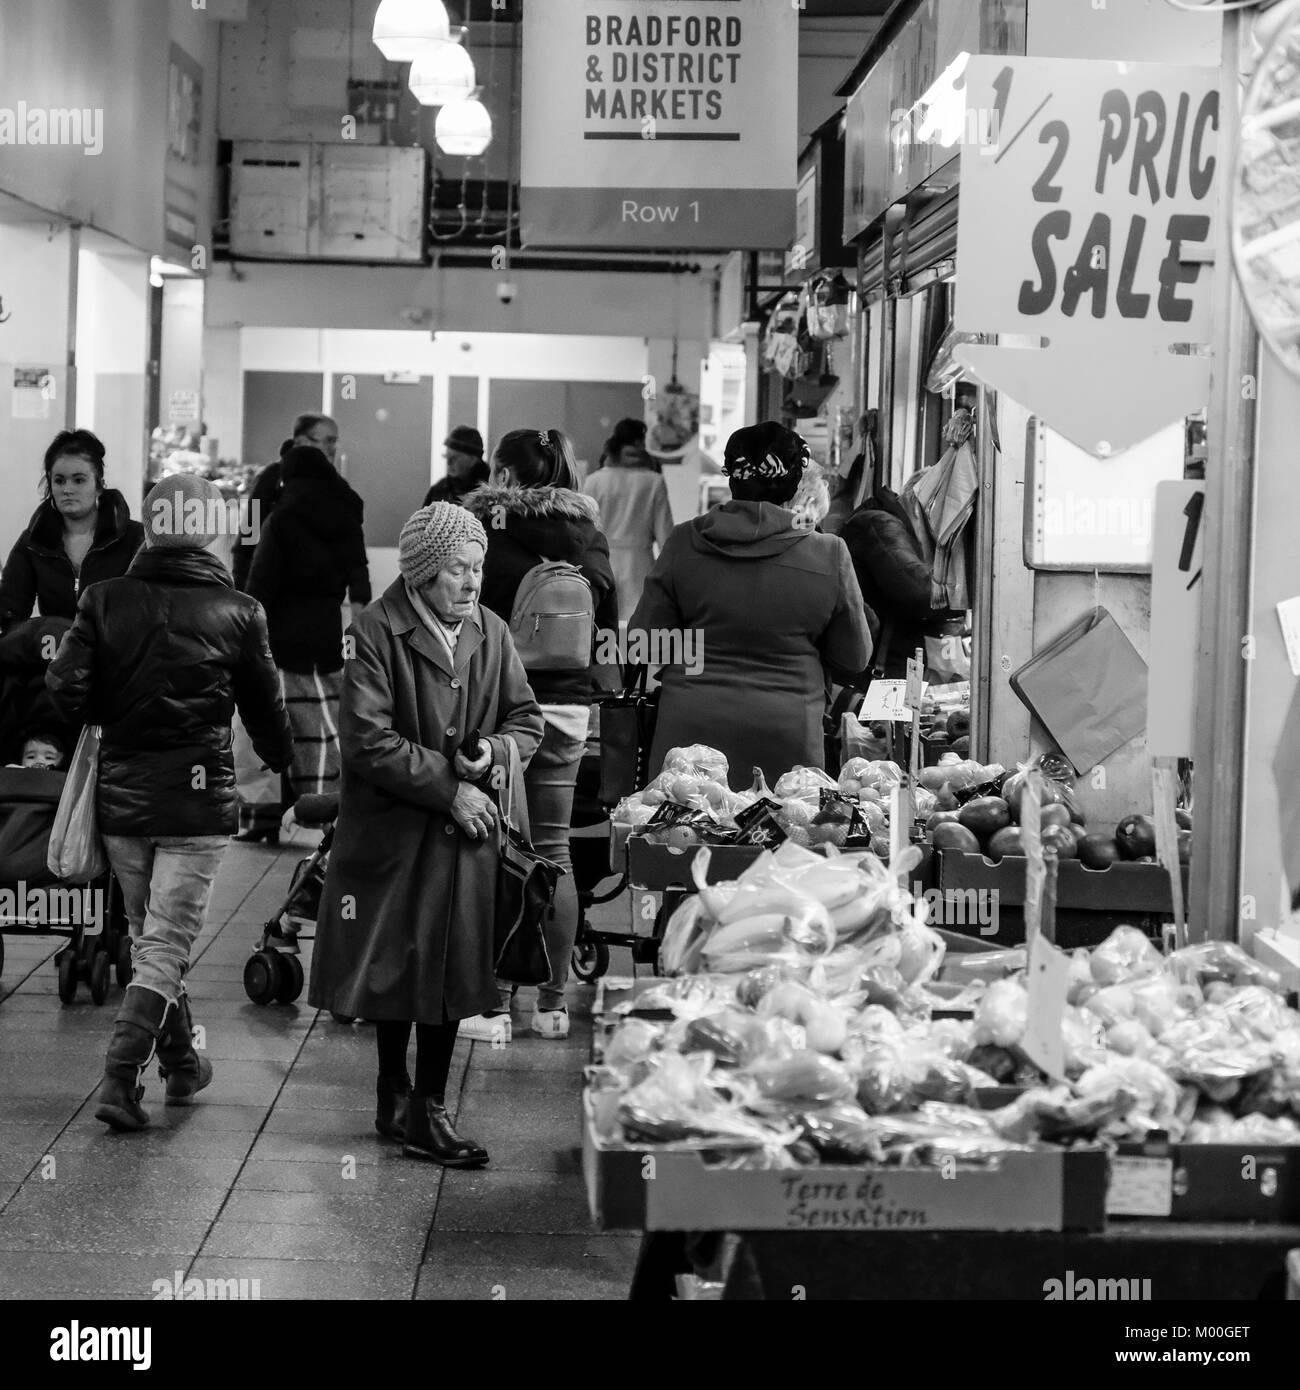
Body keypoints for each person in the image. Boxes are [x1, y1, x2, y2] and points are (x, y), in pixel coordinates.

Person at [46, 474, 292, 1132]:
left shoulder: (103, 599)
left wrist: (115, 712)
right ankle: (119, 1080)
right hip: (196, 803)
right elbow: (267, 710)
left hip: (123, 802)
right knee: (164, 946)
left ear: (152, 526)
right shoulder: (239, 611)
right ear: (211, 526)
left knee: (151, 937)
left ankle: (182, 1063)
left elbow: (64, 693)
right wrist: (284, 760)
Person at [307, 502, 543, 1167]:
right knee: (395, 965)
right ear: (419, 574)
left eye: (477, 568)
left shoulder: (490, 631)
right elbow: (367, 740)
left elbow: (529, 721)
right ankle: (397, 1095)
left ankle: (424, 1107)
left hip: (462, 840)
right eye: (455, 571)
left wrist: (494, 751)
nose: (470, 584)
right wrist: (450, 786)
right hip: (394, 828)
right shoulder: (377, 631)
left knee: (449, 967)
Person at [462, 428, 619, 1042]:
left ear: (502, 476)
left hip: (502, 712)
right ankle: (554, 1003)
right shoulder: (590, 537)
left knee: (498, 850)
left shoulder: (486, 532)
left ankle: (495, 1004)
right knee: (554, 850)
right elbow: (606, 630)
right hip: (570, 709)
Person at [629, 421, 872, 790]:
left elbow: (645, 642)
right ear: (794, 481)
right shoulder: (829, 554)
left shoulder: (683, 543)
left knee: (682, 838)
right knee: (784, 839)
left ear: (732, 476)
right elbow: (855, 657)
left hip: (689, 736)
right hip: (788, 734)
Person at [244, 446, 371, 838]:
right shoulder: (346, 510)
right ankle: (326, 802)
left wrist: (244, 624)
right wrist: (359, 628)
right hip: (326, 634)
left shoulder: (281, 514)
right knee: (323, 723)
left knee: (276, 720)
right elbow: (359, 572)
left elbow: (260, 579)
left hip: (282, 636)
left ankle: (269, 815)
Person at [0, 430, 144, 634]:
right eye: (59, 481)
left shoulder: (134, 538)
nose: (67, 489)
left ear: (99, 485)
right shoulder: (34, 540)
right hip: (54, 659)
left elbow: (150, 611)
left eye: (78, 480)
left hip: (118, 659)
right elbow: (10, 612)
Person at [839, 461, 955, 680]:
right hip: (873, 674)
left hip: (891, 666)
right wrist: (977, 590)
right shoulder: (879, 525)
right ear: (925, 505)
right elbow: (920, 592)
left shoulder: (905, 532)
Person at [232, 413, 344, 591]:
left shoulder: (334, 484)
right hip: (271, 591)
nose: (333, 448)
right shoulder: (272, 477)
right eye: (328, 440)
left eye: (334, 441)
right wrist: (243, 592)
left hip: (315, 596)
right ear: (301, 441)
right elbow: (249, 533)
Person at [582, 431, 673, 621]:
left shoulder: (594, 481)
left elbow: (584, 531)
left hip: (600, 563)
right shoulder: (654, 482)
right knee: (636, 631)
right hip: (639, 565)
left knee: (601, 627)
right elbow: (666, 537)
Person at [423, 426, 490, 507]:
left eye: (454, 458)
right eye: (447, 457)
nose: (448, 463)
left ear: (473, 459)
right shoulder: (438, 491)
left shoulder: (493, 492)